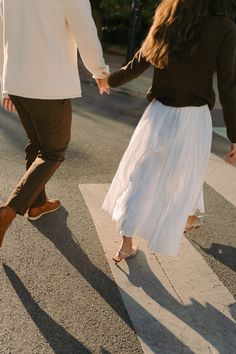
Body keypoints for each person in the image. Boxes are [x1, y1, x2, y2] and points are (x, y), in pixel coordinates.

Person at [101, 0, 236, 262]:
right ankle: (184, 217)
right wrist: (235, 136)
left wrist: (108, 80)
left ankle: (126, 242)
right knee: (187, 171)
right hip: (194, 117)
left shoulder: (166, 19)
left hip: (159, 114)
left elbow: (138, 63)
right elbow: (229, 87)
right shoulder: (224, 28)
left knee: (142, 174)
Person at [0, 0, 109, 248]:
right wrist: (99, 70)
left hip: (16, 80)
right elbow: (84, 27)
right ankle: (9, 209)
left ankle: (37, 204)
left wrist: (5, 85)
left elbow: (1, 31)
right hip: (48, 84)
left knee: (38, 144)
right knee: (52, 151)